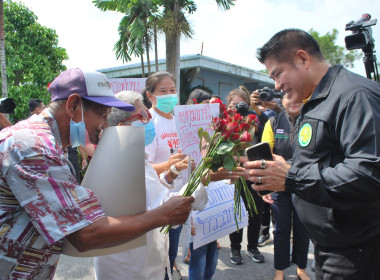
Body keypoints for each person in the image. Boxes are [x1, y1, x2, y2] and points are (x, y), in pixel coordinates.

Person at [0, 68, 194, 279]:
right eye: (103, 115)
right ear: (73, 105)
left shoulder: (47, 141)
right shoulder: (35, 147)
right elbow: (84, 234)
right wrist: (163, 215)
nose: (105, 125)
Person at [244, 29, 380, 279]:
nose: (276, 86)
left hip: (356, 253)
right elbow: (324, 160)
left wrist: (292, 177)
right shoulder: (315, 101)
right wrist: (281, 170)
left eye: (277, 74)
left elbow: (369, 173)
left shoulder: (354, 96)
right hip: (329, 247)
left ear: (303, 59)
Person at [95, 90, 182, 280]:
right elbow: (166, 210)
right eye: (143, 115)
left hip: (144, 262)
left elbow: (147, 195)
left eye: (148, 114)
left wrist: (169, 175)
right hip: (131, 269)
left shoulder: (133, 155)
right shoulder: (121, 162)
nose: (149, 119)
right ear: (122, 126)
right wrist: (203, 179)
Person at [143, 71, 190, 280]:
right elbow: (142, 168)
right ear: (150, 95)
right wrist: (168, 165)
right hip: (159, 202)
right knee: (159, 257)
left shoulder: (181, 119)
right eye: (163, 91)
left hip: (181, 195)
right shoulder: (148, 123)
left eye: (173, 90)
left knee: (171, 255)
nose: (170, 95)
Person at [261, 93, 310, 280]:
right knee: (280, 228)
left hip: (305, 182)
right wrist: (265, 186)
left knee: (302, 227)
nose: (294, 101)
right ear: (282, 100)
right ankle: (279, 270)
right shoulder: (272, 122)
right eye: (289, 97)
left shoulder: (311, 120)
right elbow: (265, 155)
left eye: (299, 97)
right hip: (279, 184)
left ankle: (301, 268)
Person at [226, 88, 265, 265]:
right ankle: (235, 248)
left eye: (242, 104)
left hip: (253, 173)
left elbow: (261, 143)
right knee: (236, 212)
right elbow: (226, 150)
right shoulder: (225, 121)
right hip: (235, 174)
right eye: (234, 104)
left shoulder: (255, 120)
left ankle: (253, 247)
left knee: (255, 212)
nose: (238, 107)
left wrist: (251, 116)